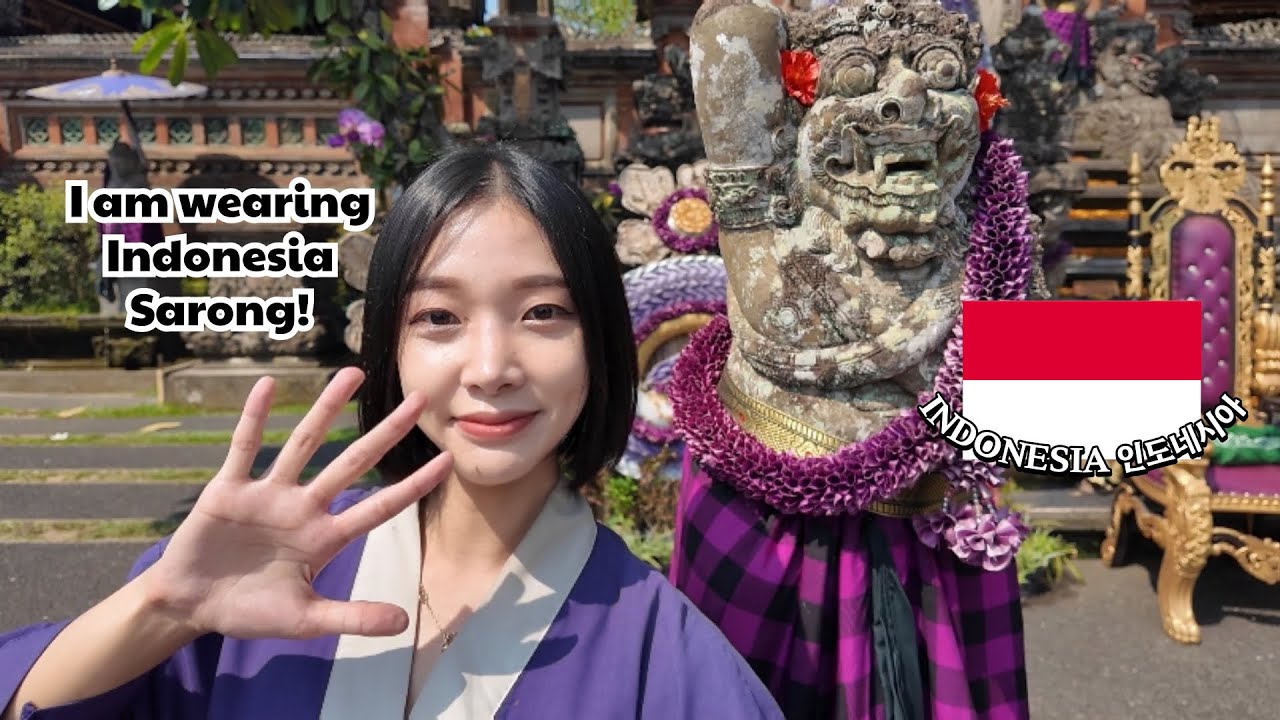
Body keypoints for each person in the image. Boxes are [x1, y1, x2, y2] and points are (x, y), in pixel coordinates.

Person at [0, 144, 785, 720]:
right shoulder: (248, 577)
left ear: (600, 342)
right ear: (390, 347)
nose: (490, 368)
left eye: (543, 312)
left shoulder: (665, 655)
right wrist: (165, 608)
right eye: (438, 317)